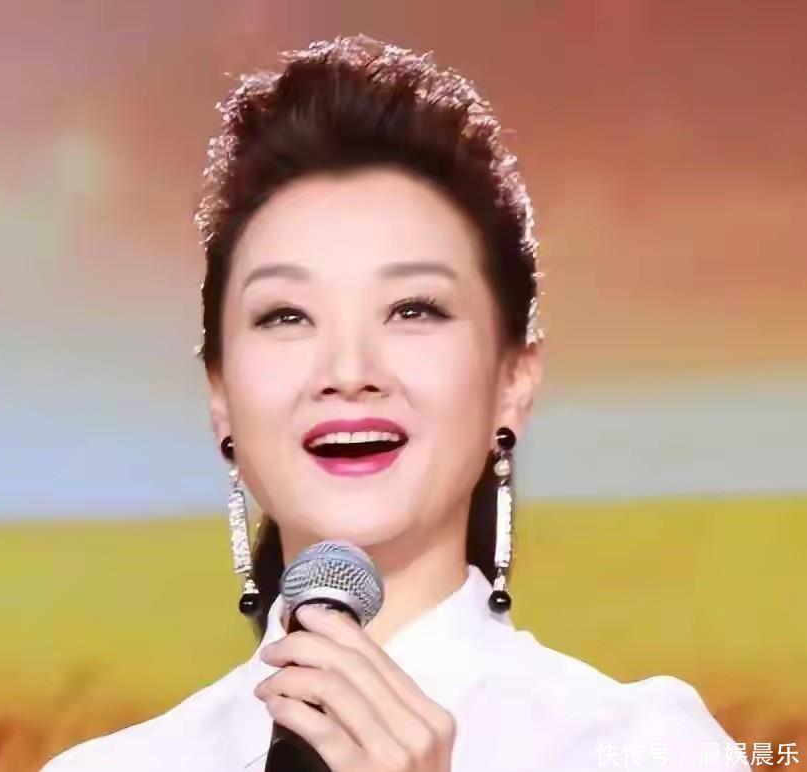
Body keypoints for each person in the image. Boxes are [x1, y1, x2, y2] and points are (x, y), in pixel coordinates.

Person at [42, 34, 749, 772]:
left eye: (413, 309)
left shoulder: (647, 750)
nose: (349, 372)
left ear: (514, 379)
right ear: (220, 393)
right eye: (287, 315)